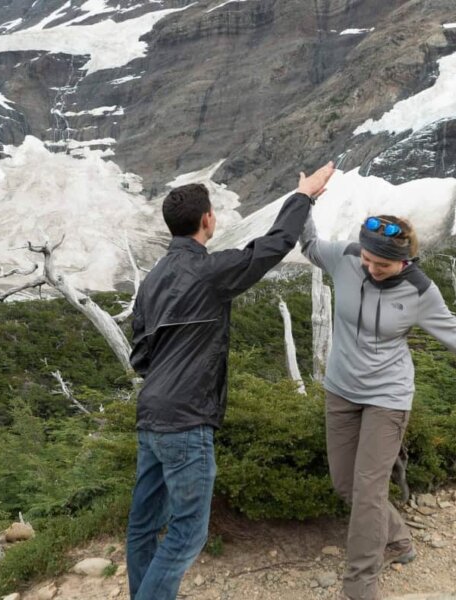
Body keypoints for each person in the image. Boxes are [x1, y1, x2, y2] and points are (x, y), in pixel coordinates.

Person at [299, 213, 456, 600]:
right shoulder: (345, 257)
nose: (373, 269)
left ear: (405, 261)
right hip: (341, 391)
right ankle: (397, 541)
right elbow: (309, 246)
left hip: (388, 397)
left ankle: (359, 585)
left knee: (368, 490)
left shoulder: (420, 291)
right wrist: (304, 201)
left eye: (384, 264)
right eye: (369, 261)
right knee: (346, 484)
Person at [125, 161, 335, 600]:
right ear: (207, 220)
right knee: (186, 534)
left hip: (151, 417)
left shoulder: (151, 280)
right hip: (187, 420)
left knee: (143, 526)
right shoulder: (209, 271)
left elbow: (140, 355)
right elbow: (273, 246)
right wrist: (304, 196)